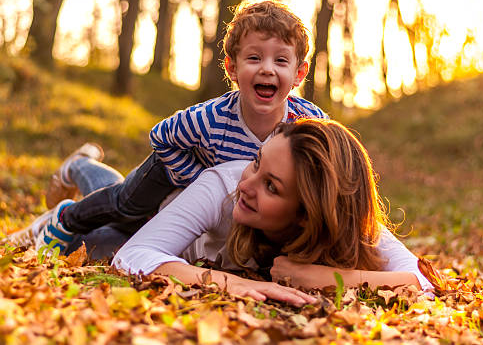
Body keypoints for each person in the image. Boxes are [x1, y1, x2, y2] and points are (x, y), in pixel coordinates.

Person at [6, 0, 328, 253]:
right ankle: (64, 218)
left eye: (281, 61)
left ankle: (79, 166)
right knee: (124, 208)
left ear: (299, 74)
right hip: (167, 175)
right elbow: (161, 136)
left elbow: (333, 160)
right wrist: (195, 179)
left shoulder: (307, 124)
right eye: (254, 58)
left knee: (125, 216)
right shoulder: (212, 117)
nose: (267, 70)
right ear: (232, 67)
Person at [112, 119, 433, 307]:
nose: (247, 185)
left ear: (308, 214)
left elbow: (423, 280)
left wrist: (325, 278)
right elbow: (135, 253)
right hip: (153, 221)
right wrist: (228, 283)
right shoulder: (222, 185)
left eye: (272, 187)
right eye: (256, 161)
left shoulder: (353, 224)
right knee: (103, 229)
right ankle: (79, 169)